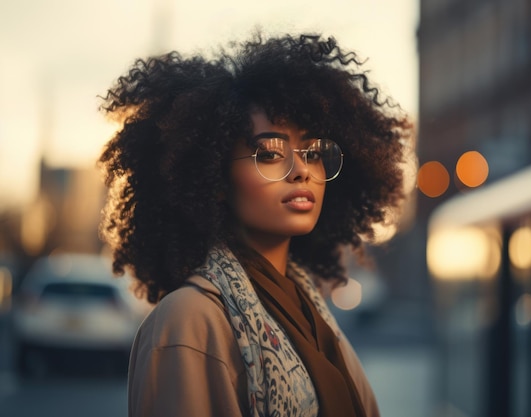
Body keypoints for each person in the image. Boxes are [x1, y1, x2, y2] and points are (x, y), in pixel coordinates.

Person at [98, 32, 413, 417]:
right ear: (214, 180)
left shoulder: (307, 306)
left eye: (313, 152)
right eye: (269, 154)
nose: (301, 171)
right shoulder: (187, 321)